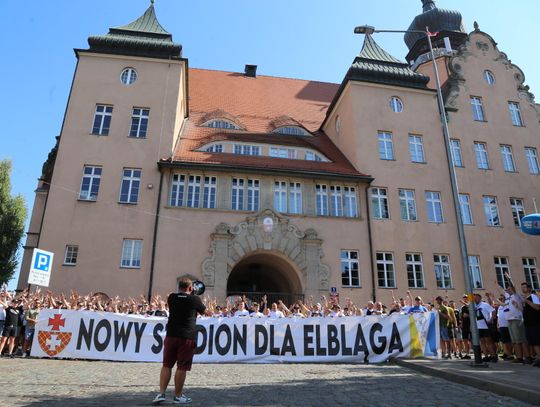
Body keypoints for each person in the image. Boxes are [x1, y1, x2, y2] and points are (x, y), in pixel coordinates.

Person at [153, 278, 206, 405]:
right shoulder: (195, 299)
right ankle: (178, 396)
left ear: (179, 286)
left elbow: (181, 298)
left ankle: (161, 393)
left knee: (167, 364)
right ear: (191, 288)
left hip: (171, 335)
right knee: (182, 367)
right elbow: (205, 312)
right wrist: (195, 295)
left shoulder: (172, 297)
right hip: (186, 336)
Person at [521, 282, 540, 367]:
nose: (523, 289)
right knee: (532, 343)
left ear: (529, 288)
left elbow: (537, 307)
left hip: (535, 323)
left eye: (524, 287)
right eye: (522, 287)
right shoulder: (525, 298)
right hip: (528, 323)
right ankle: (538, 358)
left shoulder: (533, 296)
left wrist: (527, 301)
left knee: (536, 342)